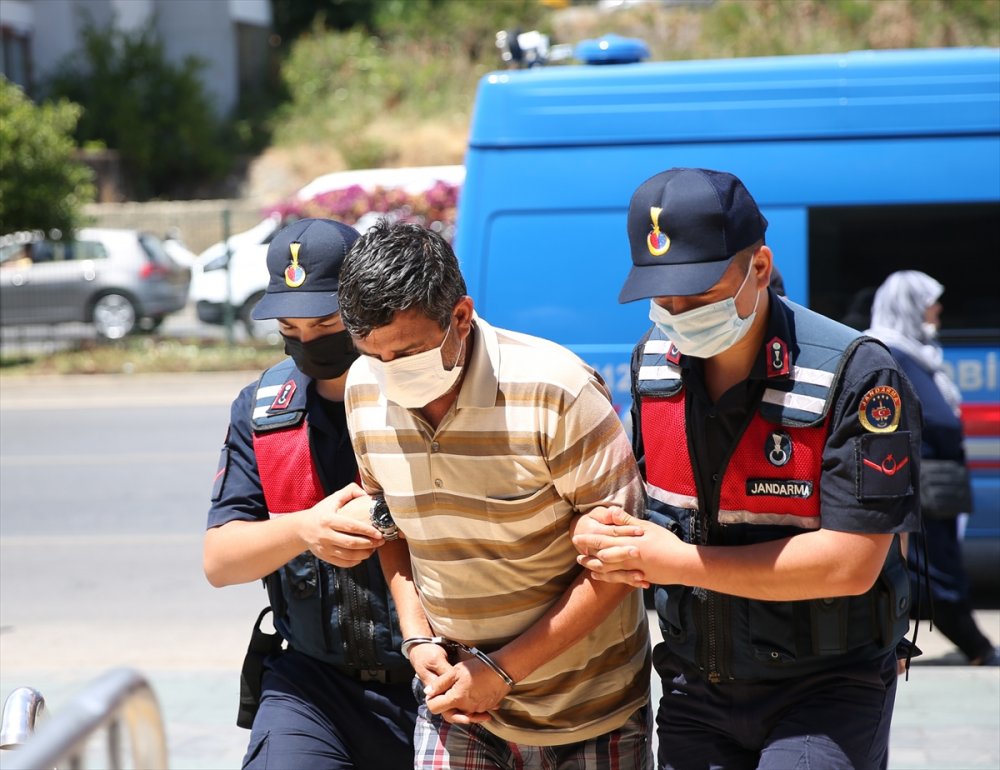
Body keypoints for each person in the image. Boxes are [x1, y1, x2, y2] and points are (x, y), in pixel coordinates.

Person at [572, 167, 922, 770]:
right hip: (695, 688)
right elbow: (649, 507)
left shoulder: (858, 375)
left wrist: (674, 562)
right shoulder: (651, 367)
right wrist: (602, 534)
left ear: (759, 267)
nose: (678, 314)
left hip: (827, 692)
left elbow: (849, 564)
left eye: (700, 294)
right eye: (663, 297)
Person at [338, 219, 652, 769]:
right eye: (373, 356)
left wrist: (503, 671)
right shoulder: (364, 391)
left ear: (460, 317)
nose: (390, 374)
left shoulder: (557, 391)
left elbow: (620, 564)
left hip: (586, 711)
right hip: (455, 708)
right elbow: (388, 520)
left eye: (406, 355)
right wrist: (417, 638)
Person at [202, 217, 418, 769]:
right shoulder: (265, 410)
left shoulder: (425, 392)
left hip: (436, 680)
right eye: (290, 330)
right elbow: (220, 561)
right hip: (313, 686)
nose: (309, 343)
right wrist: (303, 530)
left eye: (324, 323)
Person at [866, 270, 998, 666]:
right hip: (919, 479)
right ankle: (976, 646)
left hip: (931, 479)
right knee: (935, 568)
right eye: (929, 302)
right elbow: (937, 420)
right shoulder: (890, 351)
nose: (938, 309)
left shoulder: (915, 352)